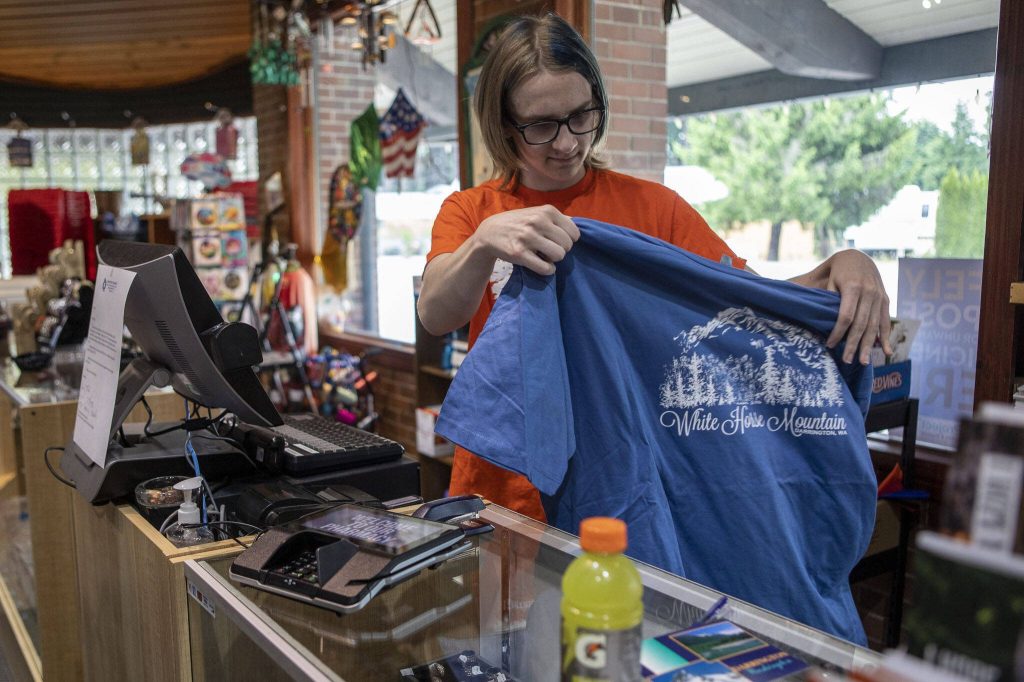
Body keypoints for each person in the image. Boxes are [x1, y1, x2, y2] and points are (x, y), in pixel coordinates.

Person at [417, 13, 891, 522]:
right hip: (501, 486)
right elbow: (437, 314)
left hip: (623, 488)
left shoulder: (654, 209)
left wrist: (842, 267)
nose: (567, 142)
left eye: (582, 115)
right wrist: (484, 244)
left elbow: (748, 307)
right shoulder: (471, 212)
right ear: (503, 123)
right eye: (540, 125)